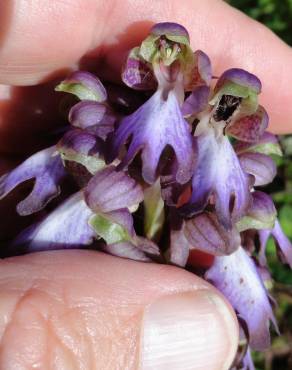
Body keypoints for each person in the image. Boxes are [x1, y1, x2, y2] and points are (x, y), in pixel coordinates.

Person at [0, 1, 291, 368]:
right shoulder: (116, 155)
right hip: (105, 238)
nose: (168, 59)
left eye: (237, 105)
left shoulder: (213, 148)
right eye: (161, 50)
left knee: (233, 230)